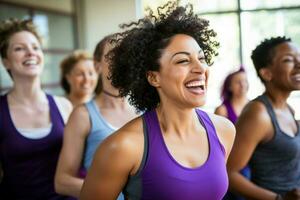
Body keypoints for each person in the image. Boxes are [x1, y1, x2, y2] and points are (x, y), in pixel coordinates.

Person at [80, 1, 235, 200]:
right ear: (154, 77)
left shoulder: (225, 131)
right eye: (183, 60)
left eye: (202, 58)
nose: (200, 69)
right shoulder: (123, 146)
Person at [54, 35, 137, 199]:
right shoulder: (82, 115)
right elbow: (62, 182)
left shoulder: (145, 109)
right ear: (97, 66)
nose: (121, 60)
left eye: (125, 54)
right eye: (113, 55)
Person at [0, 18, 73, 199]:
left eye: (35, 47)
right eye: (19, 48)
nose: (30, 53)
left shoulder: (64, 106)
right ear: (6, 62)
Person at [227, 36, 300, 200]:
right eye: (288, 60)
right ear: (267, 73)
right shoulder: (258, 113)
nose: (299, 64)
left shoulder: (288, 109)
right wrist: (278, 199)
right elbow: (229, 173)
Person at [214, 67, 250, 200]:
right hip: (234, 163)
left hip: (255, 159)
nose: (243, 85)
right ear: (229, 87)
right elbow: (219, 146)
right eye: (238, 82)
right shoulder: (222, 110)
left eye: (245, 81)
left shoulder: (255, 107)